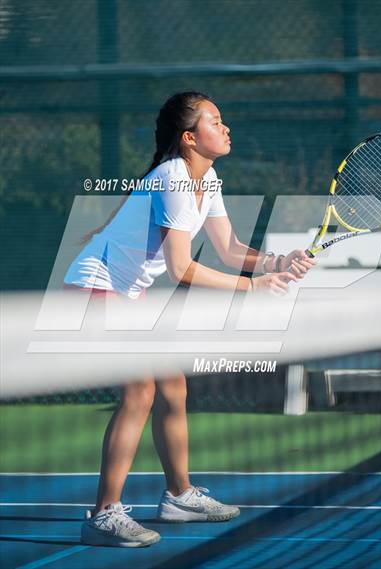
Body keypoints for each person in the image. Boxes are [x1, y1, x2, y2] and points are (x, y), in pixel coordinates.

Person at [64, 91, 316, 548]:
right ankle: (103, 513)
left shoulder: (208, 179)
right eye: (215, 122)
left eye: (223, 121)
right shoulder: (174, 180)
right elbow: (183, 269)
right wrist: (250, 289)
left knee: (172, 385)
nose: (225, 128)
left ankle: (179, 496)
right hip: (95, 285)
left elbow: (231, 250)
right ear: (189, 137)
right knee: (139, 388)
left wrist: (278, 261)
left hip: (129, 292)